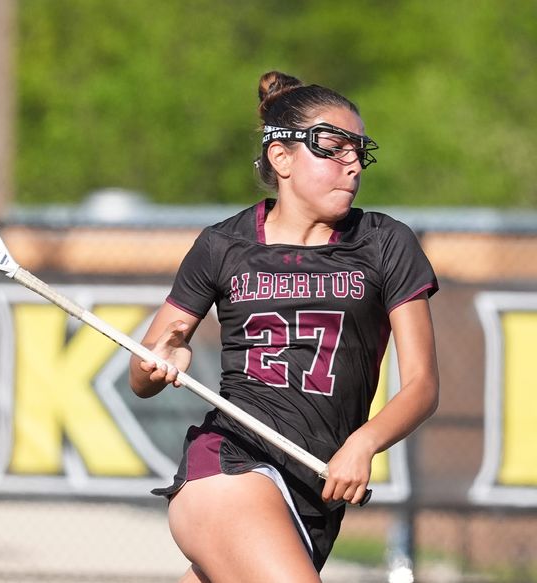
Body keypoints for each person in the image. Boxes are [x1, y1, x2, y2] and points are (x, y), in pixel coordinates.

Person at [129, 71, 439, 582]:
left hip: (311, 492)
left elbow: (423, 385)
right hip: (229, 467)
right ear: (282, 157)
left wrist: (362, 444)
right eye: (333, 149)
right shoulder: (222, 245)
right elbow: (142, 377)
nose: (353, 165)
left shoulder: (386, 242)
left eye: (360, 152)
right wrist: (162, 354)